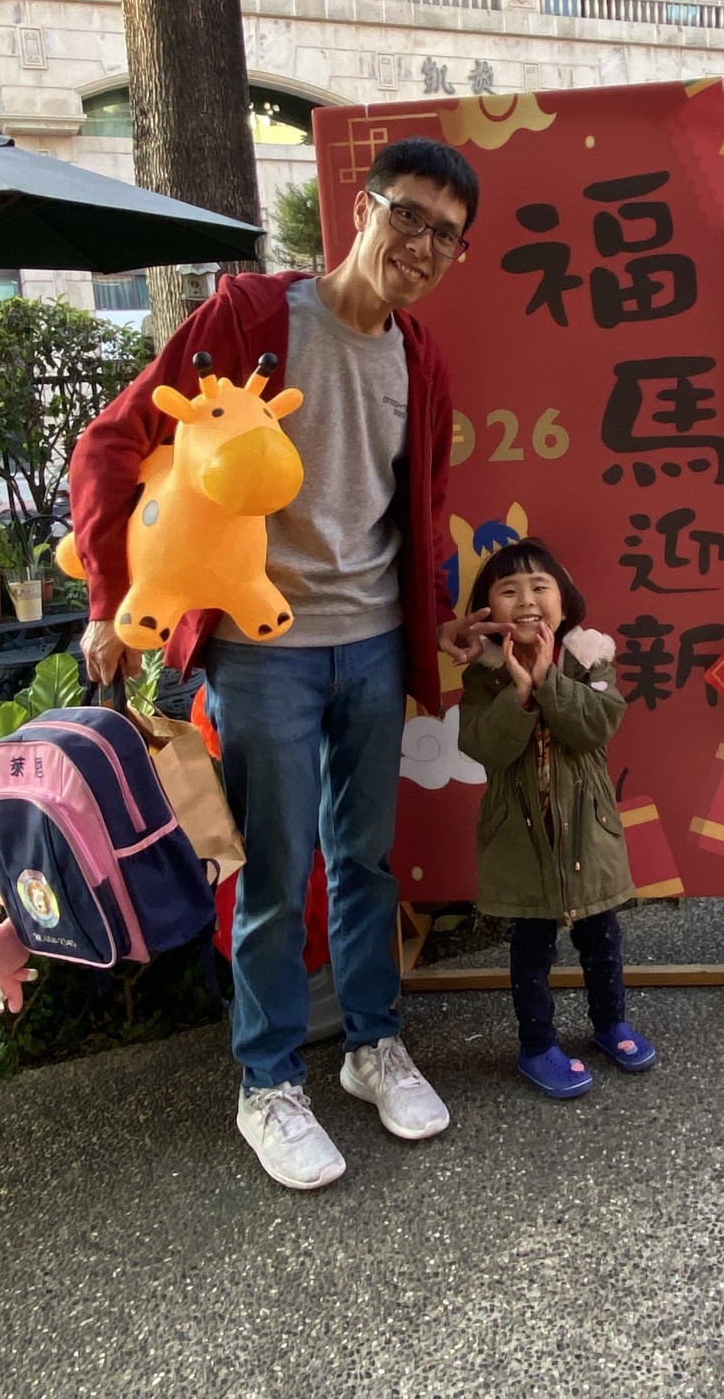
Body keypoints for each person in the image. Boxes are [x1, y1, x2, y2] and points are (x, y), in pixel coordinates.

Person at [68, 137, 486, 1190]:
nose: (423, 245)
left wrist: (436, 619)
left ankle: (371, 1046)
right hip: (263, 652)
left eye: (447, 235)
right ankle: (268, 1082)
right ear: (364, 207)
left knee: (366, 860)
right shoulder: (252, 320)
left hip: (374, 644)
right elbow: (113, 441)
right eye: (410, 215)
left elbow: (420, 505)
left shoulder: (421, 357)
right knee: (270, 866)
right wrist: (112, 599)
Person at [457, 538, 655, 1098]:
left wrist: (549, 681)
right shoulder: (484, 676)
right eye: (508, 591)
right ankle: (537, 1046)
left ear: (564, 603)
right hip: (519, 841)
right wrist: (519, 693)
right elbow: (484, 747)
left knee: (603, 938)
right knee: (530, 950)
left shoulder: (590, 659)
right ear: (488, 612)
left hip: (588, 833)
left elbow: (595, 726)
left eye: (539, 587)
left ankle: (610, 1024)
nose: (526, 600)